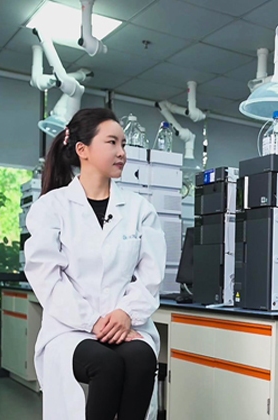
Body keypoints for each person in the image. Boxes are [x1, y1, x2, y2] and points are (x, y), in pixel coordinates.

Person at [24, 108, 167, 420]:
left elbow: (151, 276)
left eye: (124, 144)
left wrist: (126, 313)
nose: (122, 152)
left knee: (142, 358)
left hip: (126, 323)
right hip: (70, 327)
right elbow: (47, 278)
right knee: (107, 364)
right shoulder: (51, 207)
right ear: (82, 149)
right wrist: (93, 322)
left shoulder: (140, 209)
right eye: (112, 142)